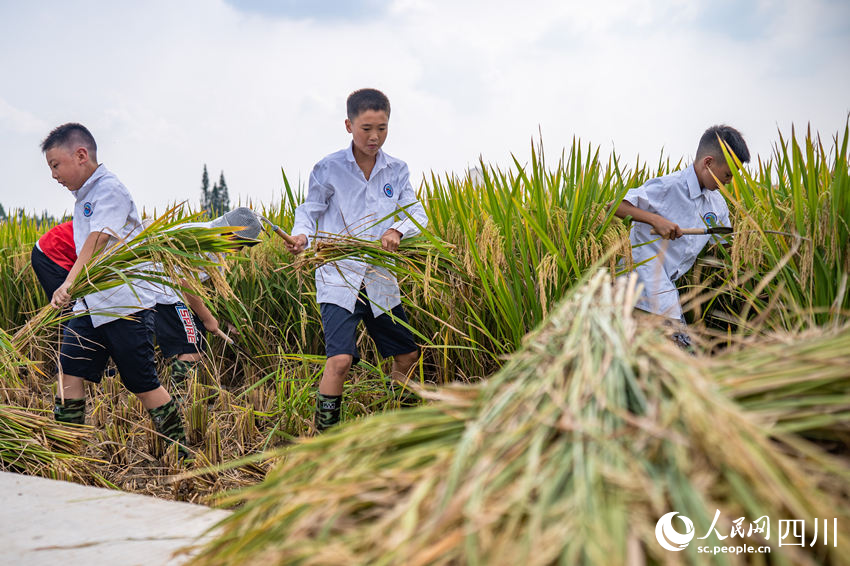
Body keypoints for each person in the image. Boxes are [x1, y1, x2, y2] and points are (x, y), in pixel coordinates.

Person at [286, 88, 429, 433]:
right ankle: (326, 438)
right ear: (349, 126)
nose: (374, 136)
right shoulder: (329, 167)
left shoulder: (396, 170)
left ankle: (397, 425)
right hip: (339, 276)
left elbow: (416, 213)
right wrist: (301, 236)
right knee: (340, 361)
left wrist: (397, 230)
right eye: (366, 128)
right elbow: (309, 210)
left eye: (382, 128)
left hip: (379, 278)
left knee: (407, 355)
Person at [42, 122, 188, 459]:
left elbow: (98, 239)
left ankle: (180, 453)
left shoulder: (109, 190)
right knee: (69, 371)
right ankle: (66, 454)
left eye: (55, 165)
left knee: (142, 383)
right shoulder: (85, 198)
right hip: (91, 307)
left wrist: (69, 282)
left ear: (81, 155)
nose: (53, 175)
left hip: (125, 306)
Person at [613, 124, 750, 330]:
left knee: (668, 343)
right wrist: (655, 220)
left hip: (666, 285)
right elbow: (615, 206)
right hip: (640, 278)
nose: (729, 182)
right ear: (708, 162)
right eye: (727, 174)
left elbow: (724, 243)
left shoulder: (717, 204)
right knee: (676, 341)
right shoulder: (669, 186)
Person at [153, 207, 262, 388]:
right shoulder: (202, 241)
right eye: (241, 244)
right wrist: (207, 318)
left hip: (171, 293)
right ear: (231, 234)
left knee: (196, 341)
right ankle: (179, 396)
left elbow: (211, 287)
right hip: (162, 292)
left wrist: (229, 318)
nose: (240, 250)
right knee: (193, 345)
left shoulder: (218, 245)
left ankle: (179, 391)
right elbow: (184, 283)